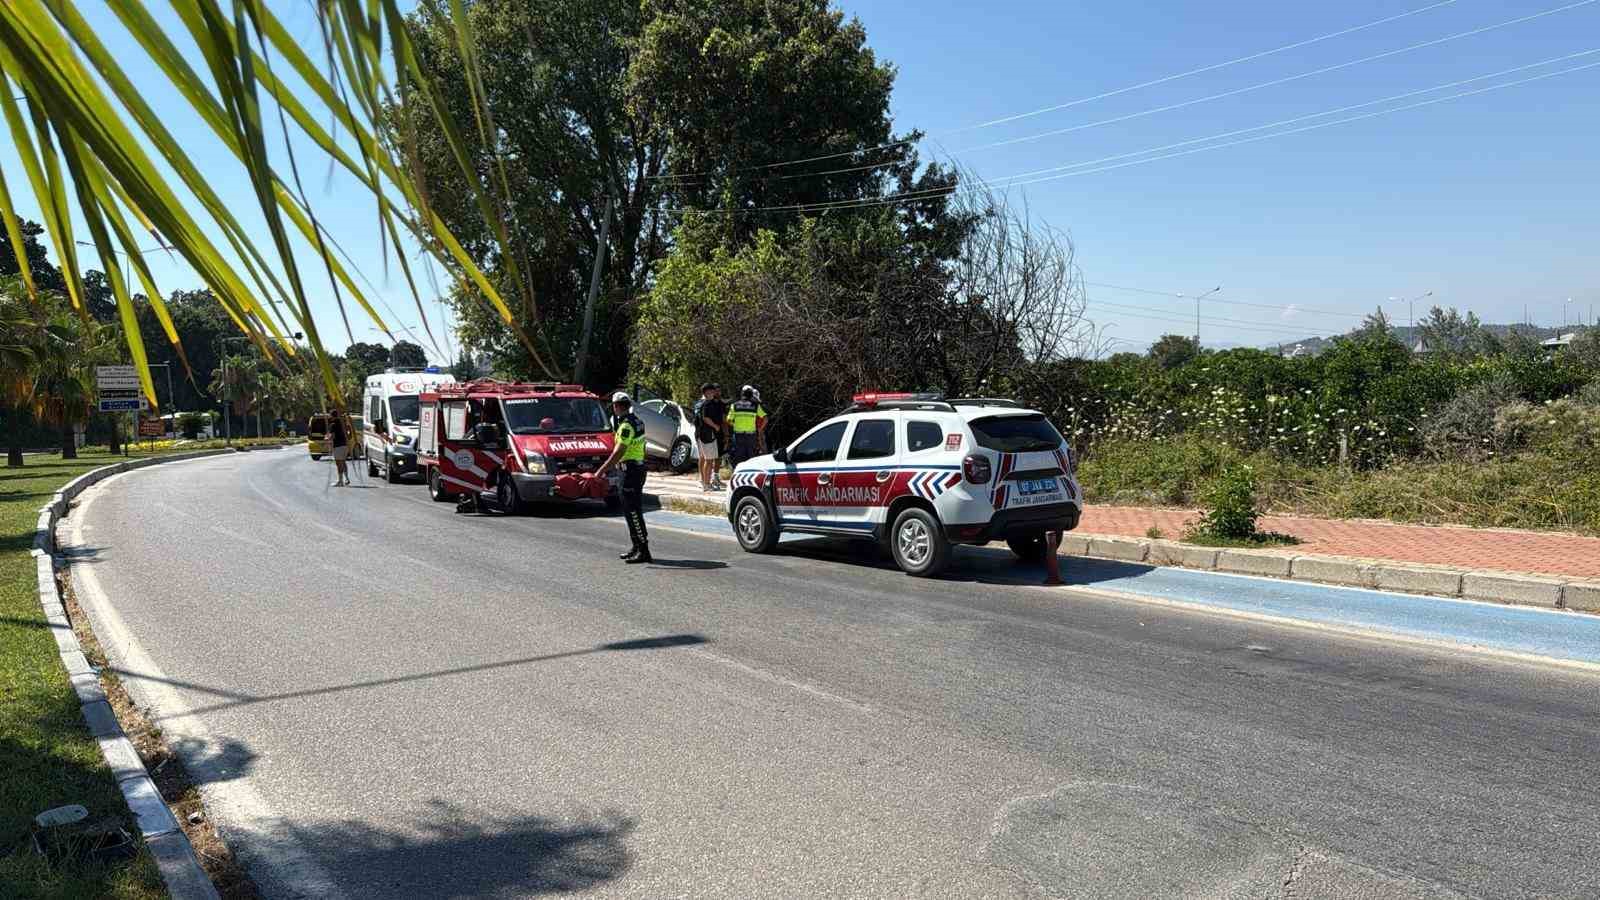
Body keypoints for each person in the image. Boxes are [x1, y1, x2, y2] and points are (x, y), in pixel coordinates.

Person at [596, 391, 651, 563]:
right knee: (629, 511)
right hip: (635, 468)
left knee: (633, 511)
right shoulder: (638, 421)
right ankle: (636, 546)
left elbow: (619, 451)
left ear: (617, 406)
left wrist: (602, 470)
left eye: (614, 406)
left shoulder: (626, 425)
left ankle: (643, 550)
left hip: (630, 471)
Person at [691, 383, 726, 492]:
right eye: (712, 391)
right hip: (707, 434)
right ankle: (706, 484)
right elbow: (705, 418)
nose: (714, 393)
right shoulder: (707, 404)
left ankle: (704, 481)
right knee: (709, 459)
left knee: (705, 458)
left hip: (701, 433)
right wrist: (715, 426)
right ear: (706, 393)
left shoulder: (700, 403)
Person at [729, 385, 767, 466]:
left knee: (739, 456)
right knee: (751, 456)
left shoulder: (734, 405)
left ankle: (739, 474)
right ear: (751, 395)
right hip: (751, 435)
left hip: (738, 435)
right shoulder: (755, 406)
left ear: (742, 394)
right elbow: (765, 418)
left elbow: (728, 420)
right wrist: (759, 428)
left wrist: (735, 425)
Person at [329, 413, 350, 486]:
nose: (329, 417)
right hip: (345, 445)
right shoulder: (343, 423)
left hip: (338, 446)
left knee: (339, 464)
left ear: (332, 416)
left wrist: (327, 438)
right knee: (343, 462)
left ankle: (340, 481)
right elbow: (349, 433)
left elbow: (332, 436)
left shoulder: (333, 425)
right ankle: (346, 478)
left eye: (330, 415)